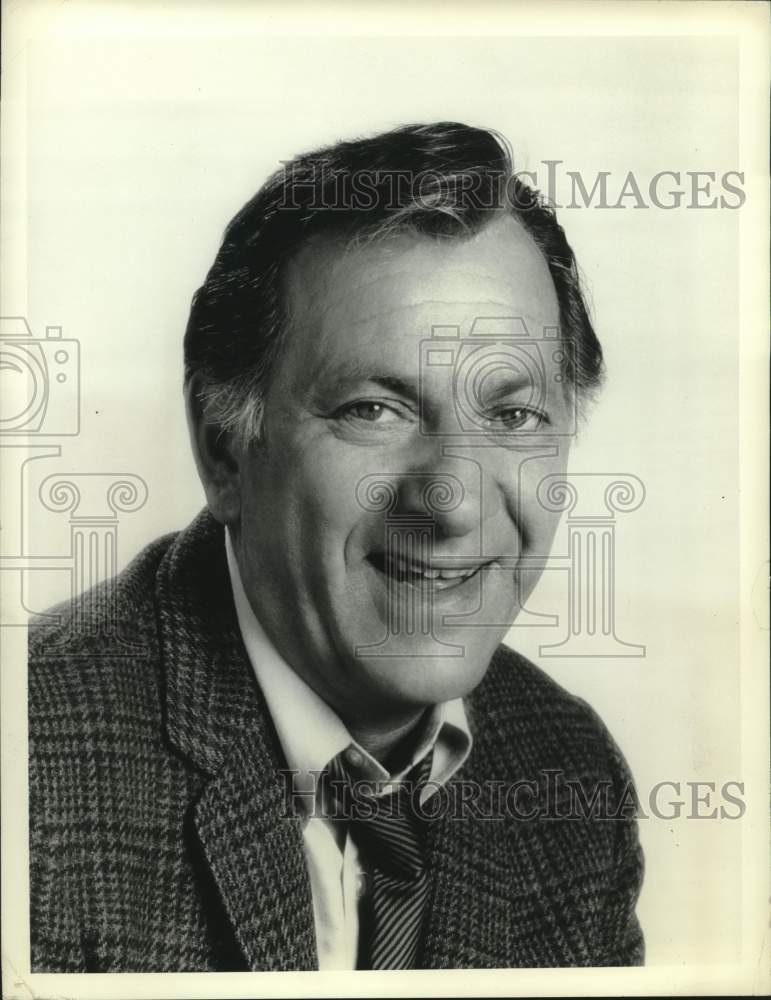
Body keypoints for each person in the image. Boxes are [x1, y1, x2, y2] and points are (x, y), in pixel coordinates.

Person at [28, 121, 644, 972]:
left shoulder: (567, 771)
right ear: (223, 450)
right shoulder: (30, 770)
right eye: (372, 409)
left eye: (511, 415)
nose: (454, 500)